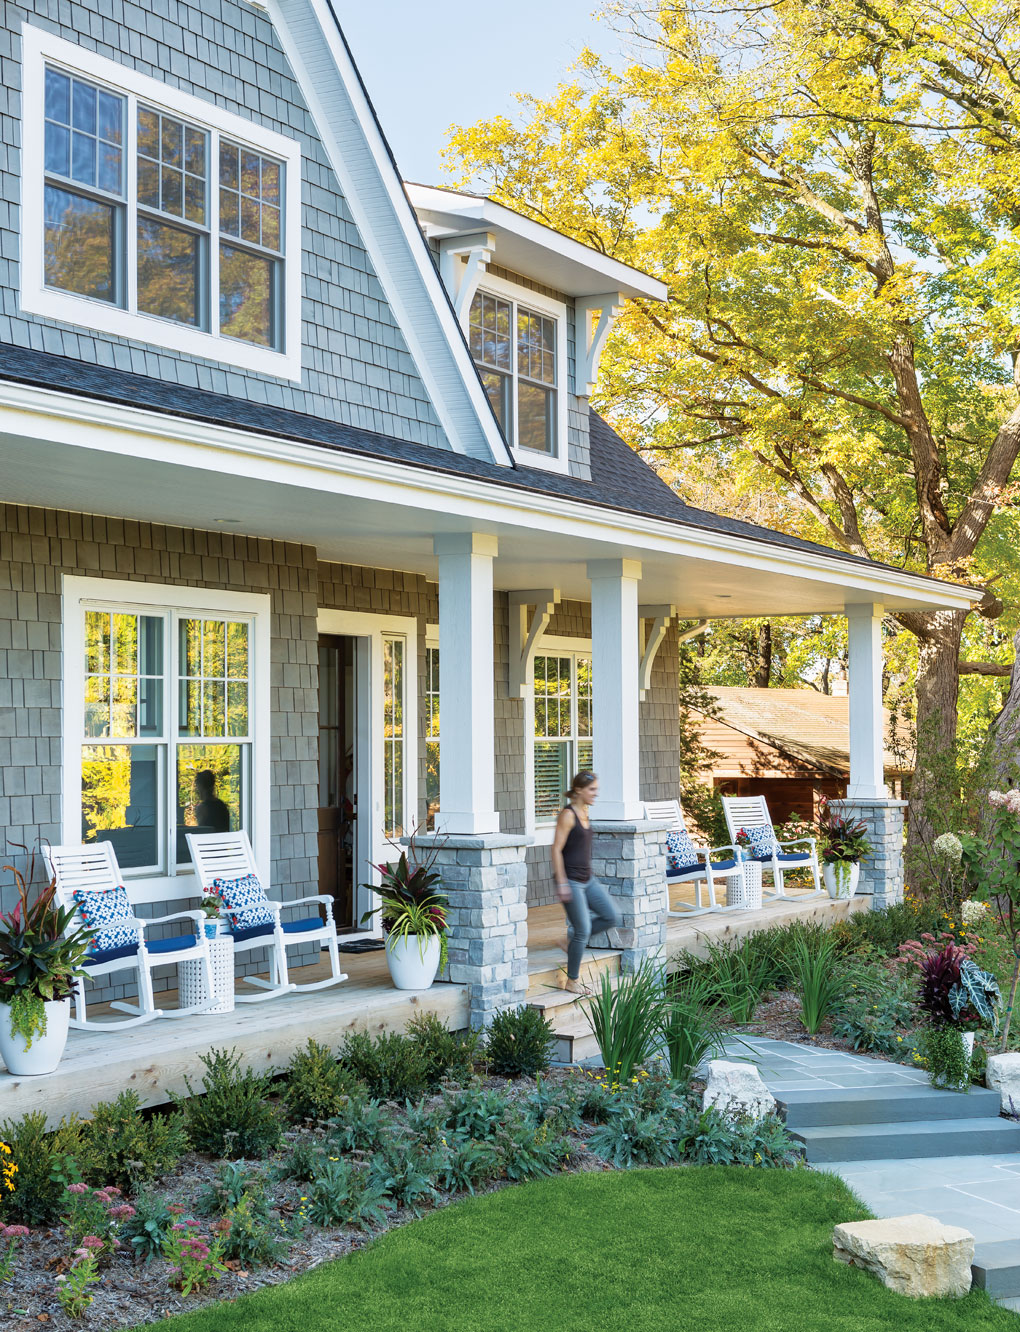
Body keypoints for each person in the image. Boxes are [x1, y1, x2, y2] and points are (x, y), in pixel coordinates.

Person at [550, 771, 620, 993]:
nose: (595, 794)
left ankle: (570, 941)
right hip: (570, 880)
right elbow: (556, 848)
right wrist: (561, 882)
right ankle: (572, 981)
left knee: (612, 916)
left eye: (596, 790)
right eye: (591, 790)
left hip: (587, 879)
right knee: (584, 928)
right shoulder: (568, 815)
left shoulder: (584, 812)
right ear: (579, 790)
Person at [193, 769, 231, 833]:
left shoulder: (202, 808)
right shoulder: (221, 805)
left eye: (197, 786)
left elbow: (201, 832)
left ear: (200, 787)